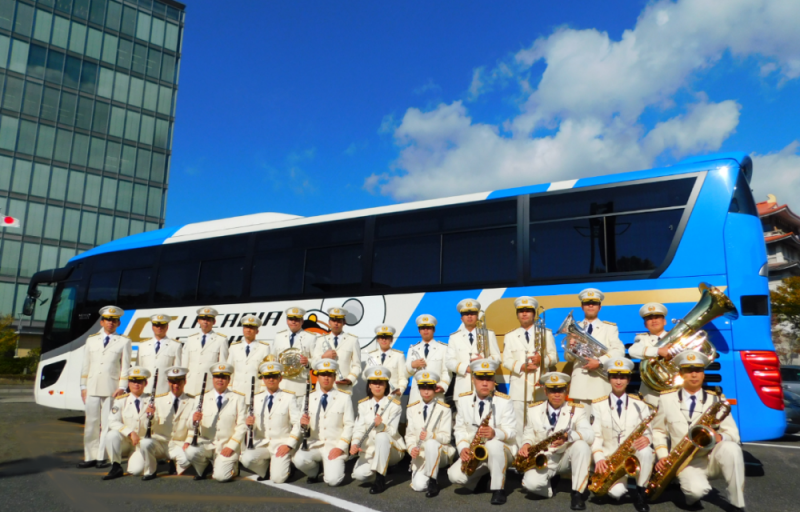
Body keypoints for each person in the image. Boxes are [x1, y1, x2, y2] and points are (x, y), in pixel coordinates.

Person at [652, 351, 745, 512]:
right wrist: (663, 456)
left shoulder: (717, 399)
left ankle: (737, 504)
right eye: (688, 371)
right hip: (686, 461)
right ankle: (689, 497)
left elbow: (733, 434)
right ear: (681, 374)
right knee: (696, 492)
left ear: (703, 375)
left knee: (732, 448)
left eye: (698, 371)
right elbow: (658, 430)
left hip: (712, 456)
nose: (694, 375)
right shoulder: (667, 399)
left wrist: (719, 437)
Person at [518, 372, 594, 511]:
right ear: (545, 391)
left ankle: (577, 493)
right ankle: (550, 485)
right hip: (545, 458)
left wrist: (568, 437)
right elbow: (529, 432)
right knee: (530, 485)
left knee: (582, 445)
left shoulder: (577, 410)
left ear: (566, 391)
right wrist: (526, 443)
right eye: (553, 390)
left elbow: (589, 435)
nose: (557, 394)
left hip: (566, 457)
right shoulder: (533, 410)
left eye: (560, 390)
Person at [447, 359, 516, 505]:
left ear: (493, 381)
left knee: (493, 445)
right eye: (480, 379)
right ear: (473, 380)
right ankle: (486, 474)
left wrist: (495, 433)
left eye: (489, 379)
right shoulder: (463, 400)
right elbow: (459, 429)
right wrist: (463, 448)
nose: (484, 383)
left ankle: (498, 489)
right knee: (454, 475)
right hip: (476, 450)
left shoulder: (504, 401)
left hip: (502, 450)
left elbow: (512, 432)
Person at [590, 358, 654, 512]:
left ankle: (641, 493)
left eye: (623, 377)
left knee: (646, 450)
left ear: (629, 379)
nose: (618, 381)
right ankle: (619, 484)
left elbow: (649, 431)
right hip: (610, 459)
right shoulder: (598, 405)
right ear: (609, 378)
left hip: (632, 456)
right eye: (614, 377)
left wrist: (647, 438)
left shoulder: (640, 404)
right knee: (616, 493)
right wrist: (598, 458)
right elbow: (596, 435)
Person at [78, 306, 132, 469]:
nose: (111, 323)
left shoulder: (124, 341)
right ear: (102, 322)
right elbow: (86, 364)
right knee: (91, 423)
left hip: (112, 387)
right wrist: (83, 386)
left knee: (107, 423)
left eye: (114, 321)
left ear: (118, 323)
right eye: (108, 320)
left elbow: (126, 366)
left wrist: (122, 386)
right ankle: (90, 456)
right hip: (92, 386)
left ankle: (102, 456)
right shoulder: (91, 339)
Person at [502, 296, 559, 447]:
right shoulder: (510, 335)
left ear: (534, 314)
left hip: (539, 387)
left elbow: (554, 357)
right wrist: (521, 366)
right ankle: (521, 455)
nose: (524, 313)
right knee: (519, 423)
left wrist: (543, 360)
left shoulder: (545, 333)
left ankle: (541, 451)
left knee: (540, 422)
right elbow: (506, 360)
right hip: (519, 387)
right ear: (517, 314)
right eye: (521, 311)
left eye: (528, 311)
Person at [292, 359, 355, 486]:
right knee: (298, 459)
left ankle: (328, 468)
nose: (326, 378)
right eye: (322, 375)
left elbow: (350, 425)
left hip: (334, 445)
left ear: (334, 377)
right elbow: (300, 424)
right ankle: (314, 471)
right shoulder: (308, 397)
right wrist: (303, 423)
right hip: (314, 444)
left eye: (329, 375)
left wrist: (341, 447)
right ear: (318, 377)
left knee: (333, 481)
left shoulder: (344, 397)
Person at [183, 363, 247, 482]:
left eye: (224, 377)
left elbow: (242, 426)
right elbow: (189, 425)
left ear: (229, 380)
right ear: (213, 379)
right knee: (190, 451)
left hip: (226, 445)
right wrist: (194, 420)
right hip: (207, 444)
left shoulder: (238, 399)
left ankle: (232, 466)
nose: (220, 380)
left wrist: (231, 446)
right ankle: (203, 467)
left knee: (221, 477)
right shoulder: (201, 398)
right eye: (217, 377)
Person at [241, 362, 301, 483]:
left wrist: (289, 444)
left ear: (280, 378)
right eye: (267, 376)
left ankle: (287, 466)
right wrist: (249, 424)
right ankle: (264, 470)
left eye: (274, 376)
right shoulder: (256, 398)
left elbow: (297, 423)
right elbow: (249, 424)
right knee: (246, 458)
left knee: (278, 479)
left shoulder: (289, 397)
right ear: (263, 378)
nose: (271, 379)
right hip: (262, 443)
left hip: (280, 444)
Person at [350, 365, 406, 494]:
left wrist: (381, 426)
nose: (377, 386)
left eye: (381, 383)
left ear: (386, 385)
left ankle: (380, 479)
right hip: (370, 450)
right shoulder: (363, 405)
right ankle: (382, 466)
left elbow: (392, 431)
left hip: (393, 450)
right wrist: (355, 443)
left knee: (382, 435)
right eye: (374, 383)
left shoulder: (394, 405)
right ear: (369, 385)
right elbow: (358, 429)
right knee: (360, 475)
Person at [564, 289, 625, 406]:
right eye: (587, 303)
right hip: (580, 384)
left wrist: (599, 362)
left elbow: (619, 351)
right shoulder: (573, 328)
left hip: (601, 384)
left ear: (599, 307)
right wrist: (571, 347)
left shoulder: (609, 328)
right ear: (582, 307)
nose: (590, 305)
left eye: (594, 303)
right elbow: (568, 358)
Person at [405, 370, 454, 497]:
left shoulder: (444, 409)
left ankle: (433, 481)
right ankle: (430, 474)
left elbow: (447, 438)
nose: (426, 391)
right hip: (421, 455)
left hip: (440, 451)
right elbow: (410, 435)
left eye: (430, 388)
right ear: (419, 389)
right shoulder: (412, 409)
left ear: (435, 389)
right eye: (423, 388)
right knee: (418, 486)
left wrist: (431, 436)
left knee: (431, 443)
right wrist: (411, 449)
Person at [101, 366, 152, 480]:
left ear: (145, 383)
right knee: (112, 435)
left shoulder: (152, 401)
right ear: (128, 383)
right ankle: (116, 466)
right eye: (133, 381)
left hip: (142, 442)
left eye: (139, 381)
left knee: (135, 471)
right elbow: (112, 421)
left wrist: (154, 414)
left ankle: (141, 458)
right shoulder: (121, 400)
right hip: (126, 441)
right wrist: (130, 432)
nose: (136, 384)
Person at [446, 299, 501, 397]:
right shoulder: (454, 337)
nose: (469, 316)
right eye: (466, 314)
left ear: (477, 316)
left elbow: (497, 358)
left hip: (485, 386)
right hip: (463, 388)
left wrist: (485, 362)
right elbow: (449, 361)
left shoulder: (489, 334)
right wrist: (466, 368)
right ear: (461, 318)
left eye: (473, 313)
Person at [151, 366, 194, 477]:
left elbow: (192, 427)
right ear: (168, 382)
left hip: (179, 443)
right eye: (172, 382)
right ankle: (151, 466)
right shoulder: (158, 400)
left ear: (185, 382)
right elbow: (152, 424)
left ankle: (174, 462)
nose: (176, 385)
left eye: (179, 382)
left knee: (187, 460)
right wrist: (149, 416)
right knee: (136, 470)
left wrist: (188, 441)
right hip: (161, 442)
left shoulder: (192, 401)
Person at [273, 306, 317, 409]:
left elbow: (317, 360)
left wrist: (308, 362)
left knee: (298, 420)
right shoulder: (278, 337)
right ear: (287, 321)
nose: (294, 322)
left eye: (297, 319)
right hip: (282, 386)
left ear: (302, 321)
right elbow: (273, 358)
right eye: (291, 319)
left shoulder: (311, 337)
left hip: (300, 386)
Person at [627, 303, 670, 406]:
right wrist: (658, 351)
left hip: (674, 389)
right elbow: (633, 351)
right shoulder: (642, 339)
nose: (654, 321)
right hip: (650, 392)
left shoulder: (676, 338)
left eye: (657, 318)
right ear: (645, 324)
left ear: (664, 321)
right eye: (649, 319)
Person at [311, 307, 362, 393]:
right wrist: (323, 357)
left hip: (343, 387)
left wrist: (350, 379)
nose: (336, 323)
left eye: (339, 321)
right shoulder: (320, 339)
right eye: (333, 320)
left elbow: (357, 365)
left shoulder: (352, 340)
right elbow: (313, 364)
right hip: (324, 387)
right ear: (329, 322)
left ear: (344, 322)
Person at [182, 307, 229, 396]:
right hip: (190, 385)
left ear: (213, 322)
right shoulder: (191, 339)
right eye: (203, 319)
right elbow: (185, 364)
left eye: (208, 320)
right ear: (198, 321)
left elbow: (222, 365)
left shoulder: (221, 340)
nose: (205, 322)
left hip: (209, 385)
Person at [406, 314, 451, 404]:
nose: (425, 330)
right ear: (419, 331)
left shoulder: (443, 348)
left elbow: (446, 371)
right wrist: (412, 365)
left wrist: (443, 385)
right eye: (423, 328)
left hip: (436, 392)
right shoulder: (412, 349)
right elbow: (405, 373)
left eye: (429, 328)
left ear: (433, 330)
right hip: (417, 396)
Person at [137, 313, 181, 395]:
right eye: (156, 325)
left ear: (167, 327)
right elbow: (138, 369)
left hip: (165, 390)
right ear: (152, 327)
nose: (159, 328)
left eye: (162, 325)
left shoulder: (175, 345)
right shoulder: (143, 345)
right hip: (145, 389)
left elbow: (176, 372)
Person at [227, 315, 271, 393]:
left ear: (257, 331)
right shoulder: (234, 347)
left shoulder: (264, 348)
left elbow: (265, 372)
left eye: (251, 328)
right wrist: (229, 389)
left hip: (255, 391)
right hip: (236, 391)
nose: (248, 330)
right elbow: (229, 371)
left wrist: (262, 391)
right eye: (246, 327)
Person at [365, 325, 408, 397]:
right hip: (375, 395)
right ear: (377, 339)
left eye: (387, 338)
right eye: (381, 338)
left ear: (391, 339)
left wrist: (400, 390)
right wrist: (374, 371)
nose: (384, 340)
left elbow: (403, 377)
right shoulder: (372, 355)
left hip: (392, 395)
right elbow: (365, 376)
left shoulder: (399, 356)